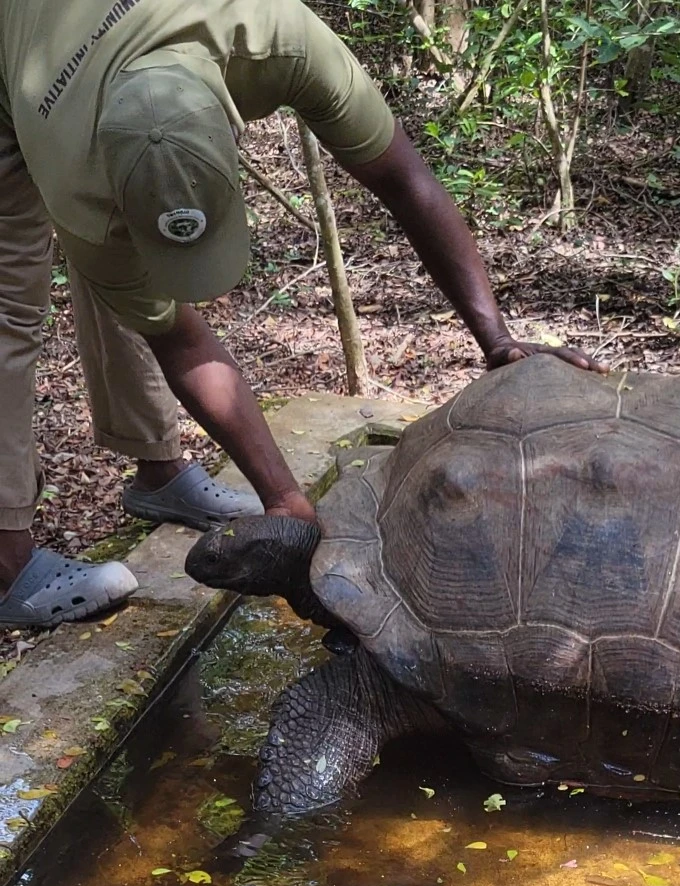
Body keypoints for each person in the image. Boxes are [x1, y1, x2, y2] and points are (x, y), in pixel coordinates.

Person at [0, 0, 597, 630]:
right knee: (10, 305)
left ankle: (159, 472)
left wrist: (497, 338)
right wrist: (284, 499)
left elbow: (405, 179)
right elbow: (178, 338)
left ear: (232, 128)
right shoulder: (75, 180)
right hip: (20, 74)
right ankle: (7, 566)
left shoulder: (277, 34)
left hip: (84, 56)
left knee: (134, 290)